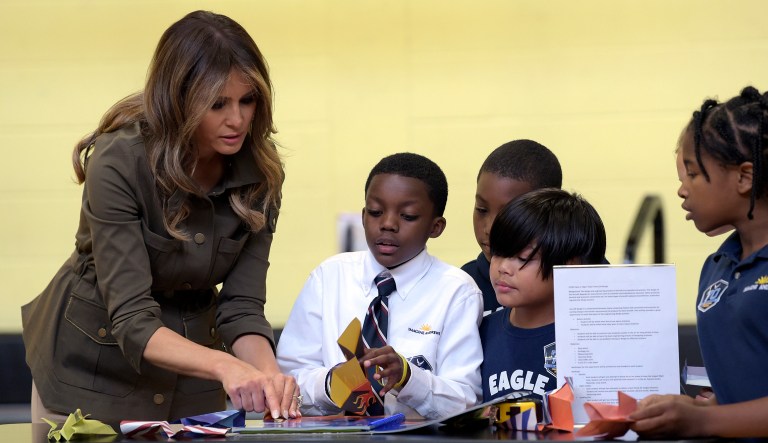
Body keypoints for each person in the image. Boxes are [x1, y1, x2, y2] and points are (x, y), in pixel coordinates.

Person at [21, 10, 299, 423]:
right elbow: (132, 318)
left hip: (192, 379)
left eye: (248, 100)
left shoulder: (262, 172)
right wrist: (227, 367)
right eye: (217, 103)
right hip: (90, 373)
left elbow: (241, 307)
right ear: (178, 99)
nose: (237, 119)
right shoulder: (119, 160)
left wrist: (270, 376)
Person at [277, 153, 483, 419]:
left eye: (408, 216)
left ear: (436, 227)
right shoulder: (329, 277)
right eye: (375, 212)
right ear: (363, 216)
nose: (387, 224)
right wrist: (331, 384)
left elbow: (466, 400)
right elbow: (288, 379)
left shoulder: (457, 292)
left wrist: (409, 378)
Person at [630, 86, 768, 438]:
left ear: (744, 177)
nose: (682, 189)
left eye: (692, 174)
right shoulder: (718, 265)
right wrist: (703, 406)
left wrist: (704, 420)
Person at [479, 188, 606, 405]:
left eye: (522, 257)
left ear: (570, 265)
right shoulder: (480, 330)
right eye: (498, 253)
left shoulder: (594, 339)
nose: (503, 268)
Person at [461, 140, 562, 316]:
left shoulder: (586, 278)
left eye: (508, 215)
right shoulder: (463, 284)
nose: (491, 228)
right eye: (481, 210)